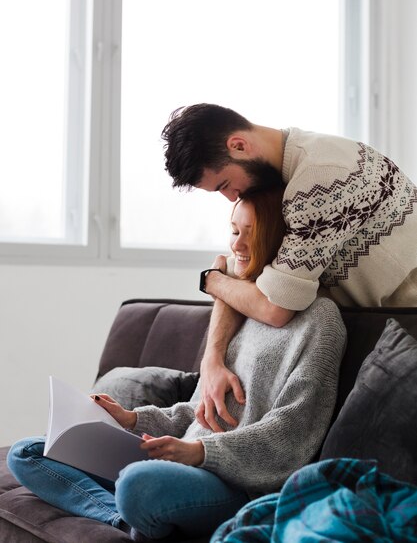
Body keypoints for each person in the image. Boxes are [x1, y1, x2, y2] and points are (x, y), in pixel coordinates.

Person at [7, 189, 347, 542]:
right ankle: (123, 521)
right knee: (27, 452)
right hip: (181, 462)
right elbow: (200, 412)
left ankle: (137, 507)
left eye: (253, 232)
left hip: (237, 483)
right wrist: (132, 419)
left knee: (139, 483)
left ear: (283, 241)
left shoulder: (321, 320)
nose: (238, 245)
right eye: (234, 231)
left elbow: (292, 431)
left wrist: (199, 452)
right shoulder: (240, 310)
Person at [161, 102, 417, 429]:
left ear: (238, 145)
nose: (230, 198)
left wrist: (211, 281)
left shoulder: (318, 180)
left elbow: (275, 308)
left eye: (224, 184)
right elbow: (242, 276)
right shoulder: (281, 177)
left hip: (407, 325)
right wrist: (212, 359)